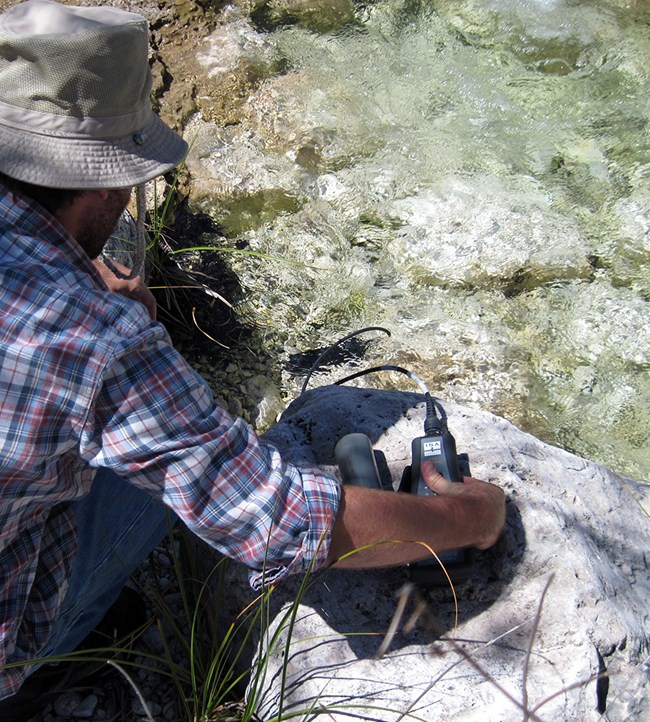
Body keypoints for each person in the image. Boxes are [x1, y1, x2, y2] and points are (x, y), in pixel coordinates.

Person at [0, 0, 505, 717]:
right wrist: (470, 521)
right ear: (109, 183)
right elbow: (280, 521)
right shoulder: (91, 339)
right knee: (160, 488)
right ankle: (57, 655)